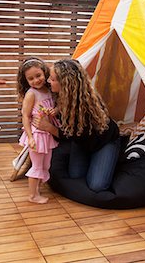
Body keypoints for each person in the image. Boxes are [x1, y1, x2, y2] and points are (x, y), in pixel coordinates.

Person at [33, 58, 120, 192]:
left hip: (104, 142)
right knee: (75, 176)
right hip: (82, 142)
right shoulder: (59, 95)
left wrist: (48, 127)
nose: (49, 81)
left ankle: (111, 155)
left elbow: (70, 135)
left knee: (97, 186)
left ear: (65, 83)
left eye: (53, 79)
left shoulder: (85, 105)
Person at [17, 57, 59, 204]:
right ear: (26, 81)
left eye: (38, 76)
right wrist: (30, 137)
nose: (36, 80)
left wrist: (54, 111)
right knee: (37, 165)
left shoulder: (49, 90)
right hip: (37, 135)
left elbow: (54, 106)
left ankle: (37, 190)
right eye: (31, 78)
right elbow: (26, 116)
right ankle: (32, 195)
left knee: (46, 165)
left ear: (45, 73)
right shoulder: (31, 94)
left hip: (48, 134)